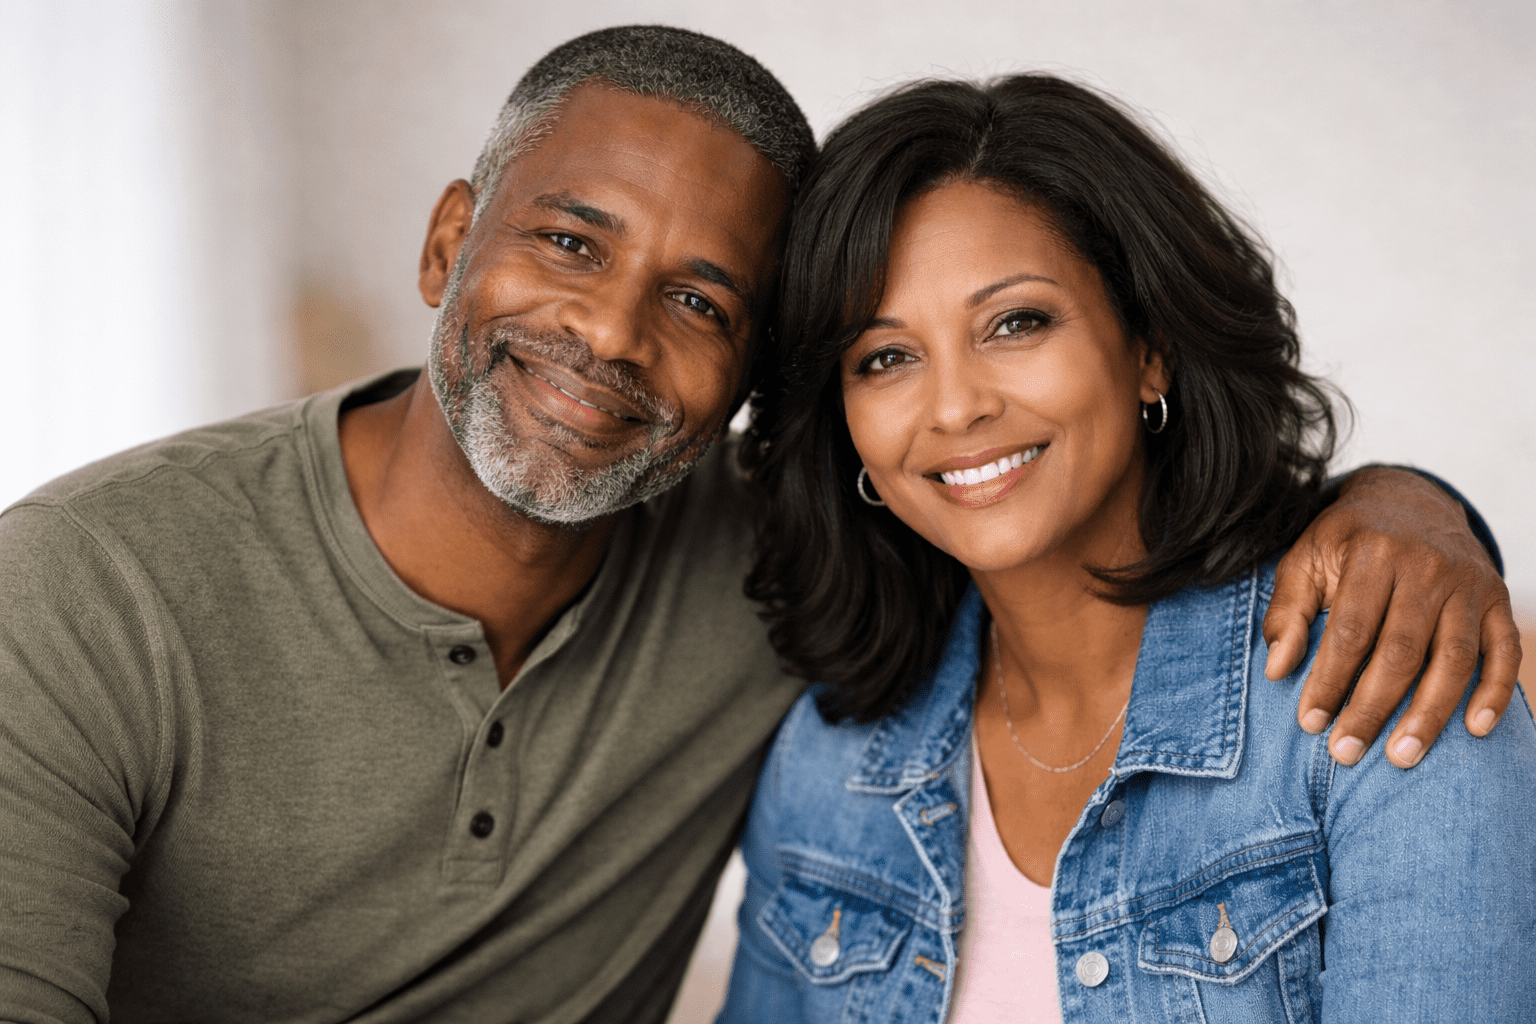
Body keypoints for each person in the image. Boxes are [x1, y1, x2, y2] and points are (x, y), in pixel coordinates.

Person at [0, 27, 1516, 1024]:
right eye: (881, 357)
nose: (607, 334)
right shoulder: (83, 595)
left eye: (701, 301)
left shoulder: (1372, 693)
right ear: (449, 242)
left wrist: (1416, 513)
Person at [721, 74, 1535, 1023]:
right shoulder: (830, 761)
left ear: (1148, 346)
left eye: (1016, 322)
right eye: (885, 358)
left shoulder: (1378, 692)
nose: (955, 407)